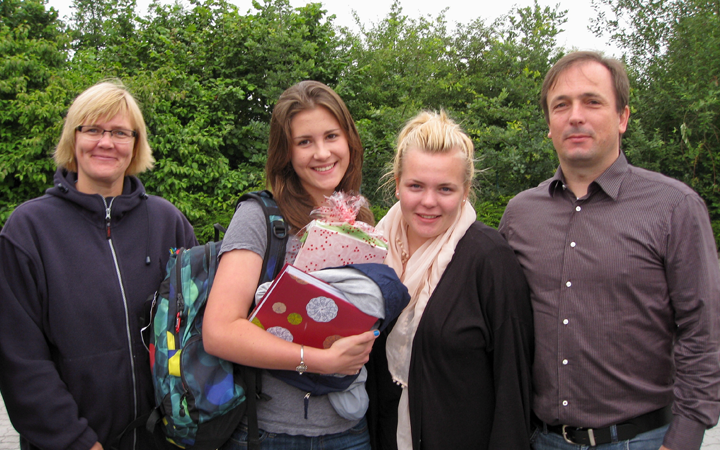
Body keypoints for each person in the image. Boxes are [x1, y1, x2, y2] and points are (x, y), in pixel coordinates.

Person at [499, 51, 720, 450]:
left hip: (644, 440)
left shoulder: (674, 207)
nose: (575, 116)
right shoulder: (520, 215)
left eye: (592, 101)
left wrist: (685, 439)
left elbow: (704, 333)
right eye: (561, 105)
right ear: (549, 125)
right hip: (543, 440)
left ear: (623, 118)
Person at [0, 81, 197, 450]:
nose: (106, 142)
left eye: (120, 132)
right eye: (92, 129)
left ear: (135, 143)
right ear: (72, 139)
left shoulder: (167, 221)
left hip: (166, 440)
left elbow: (198, 330)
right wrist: (76, 442)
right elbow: (20, 361)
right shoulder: (29, 229)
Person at [203, 80, 380, 449]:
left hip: (350, 431)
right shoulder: (260, 217)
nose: (321, 152)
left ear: (349, 140)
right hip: (273, 435)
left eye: (331, 136)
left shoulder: (361, 218)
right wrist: (322, 361)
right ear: (286, 153)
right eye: (304, 142)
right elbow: (219, 331)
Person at [374, 110, 534, 449]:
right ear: (397, 183)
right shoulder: (373, 251)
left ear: (465, 191)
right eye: (416, 186)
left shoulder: (489, 258)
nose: (428, 202)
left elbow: (513, 384)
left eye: (445, 188)